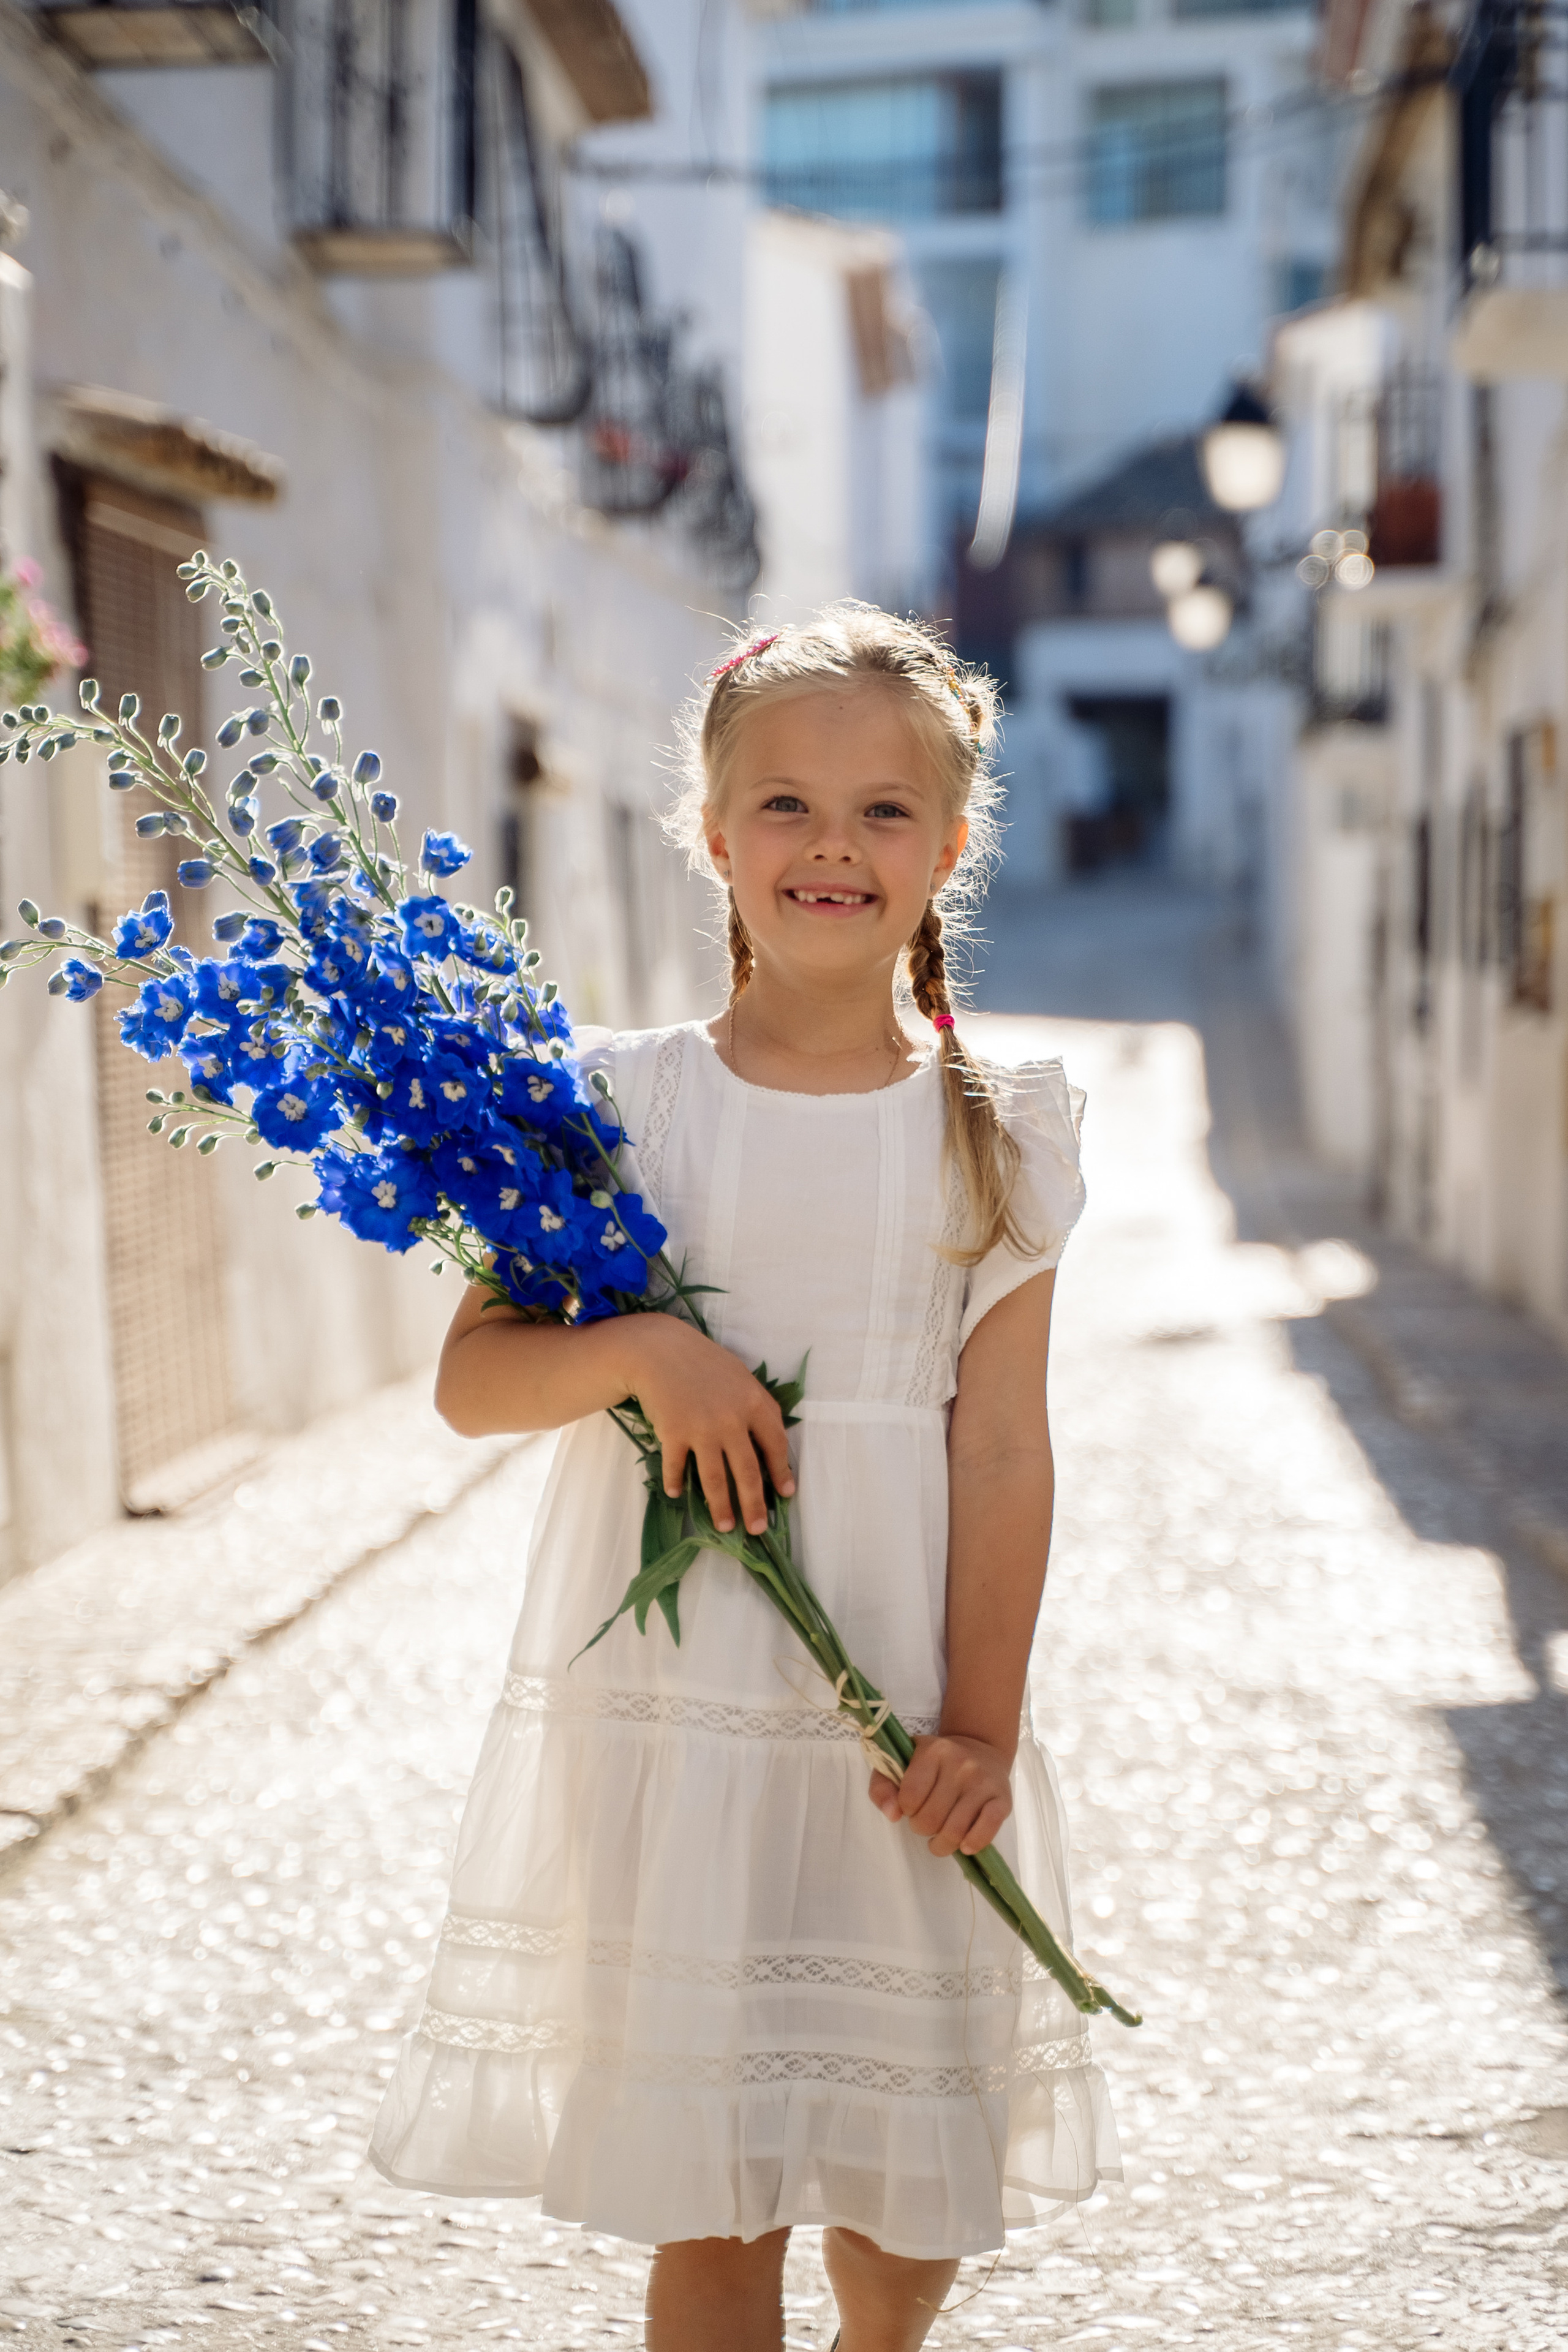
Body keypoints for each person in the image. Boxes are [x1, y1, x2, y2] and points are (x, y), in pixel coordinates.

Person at [369, 606, 1120, 2350]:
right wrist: (644, 1352)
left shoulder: (1000, 1127)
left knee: (902, 2178)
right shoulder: (614, 1110)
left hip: (901, 1705)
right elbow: (477, 1382)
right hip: (677, 1704)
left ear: (949, 847)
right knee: (710, 2188)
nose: (830, 846)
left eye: (881, 812)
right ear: (713, 836)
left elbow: (1004, 1443)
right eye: (784, 806)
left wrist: (984, 1727)